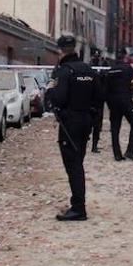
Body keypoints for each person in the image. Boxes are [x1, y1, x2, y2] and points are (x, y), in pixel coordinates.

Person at [46, 34, 104, 220]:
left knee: (74, 166)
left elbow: (59, 98)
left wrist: (50, 91)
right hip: (86, 121)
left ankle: (78, 208)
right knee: (78, 161)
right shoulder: (88, 70)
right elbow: (99, 97)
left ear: (60, 50)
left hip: (70, 122)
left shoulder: (64, 71)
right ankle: (77, 204)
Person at [104, 50, 133, 161]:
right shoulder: (128, 68)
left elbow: (105, 89)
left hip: (113, 102)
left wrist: (109, 103)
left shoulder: (110, 71)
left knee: (115, 128)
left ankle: (117, 154)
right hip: (125, 100)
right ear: (125, 57)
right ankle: (131, 151)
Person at [88, 50, 105, 153]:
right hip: (91, 100)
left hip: (98, 100)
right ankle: (90, 143)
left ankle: (94, 145)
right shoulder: (89, 69)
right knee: (90, 124)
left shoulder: (103, 67)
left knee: (97, 125)